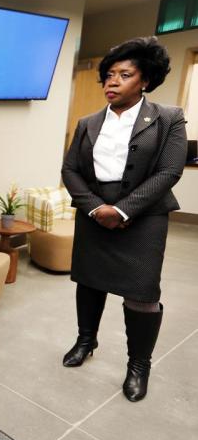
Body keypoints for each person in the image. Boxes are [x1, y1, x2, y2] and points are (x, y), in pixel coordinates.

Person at [61, 37, 187, 402]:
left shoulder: (168, 118)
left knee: (142, 294)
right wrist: (95, 208)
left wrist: (123, 210)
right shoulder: (87, 122)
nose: (111, 82)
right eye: (108, 75)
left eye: (124, 75)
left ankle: (139, 365)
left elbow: (169, 172)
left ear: (145, 81)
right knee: (89, 281)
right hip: (93, 213)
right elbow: (70, 169)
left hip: (144, 218)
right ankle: (86, 341)